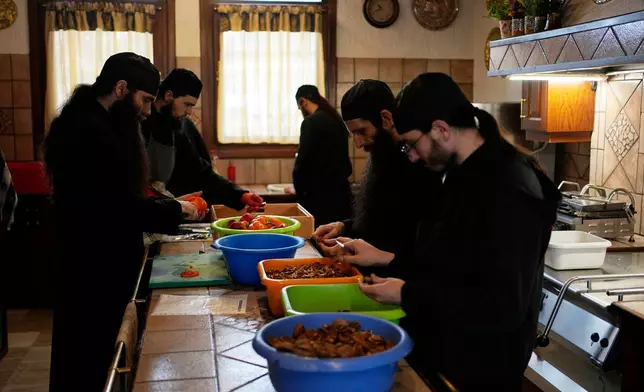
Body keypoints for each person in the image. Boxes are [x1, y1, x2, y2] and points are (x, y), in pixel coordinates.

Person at [332, 73, 561, 391]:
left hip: (482, 370)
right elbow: (444, 264)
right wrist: (387, 261)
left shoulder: (508, 187)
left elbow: (500, 308)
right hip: (446, 354)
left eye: (412, 144)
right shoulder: (459, 175)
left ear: (440, 129)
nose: (410, 155)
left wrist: (405, 293)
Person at [44, 53, 202, 392]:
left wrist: (167, 207)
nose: (147, 110)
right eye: (144, 100)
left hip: (98, 258)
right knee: (87, 360)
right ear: (120, 88)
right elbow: (115, 207)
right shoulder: (87, 131)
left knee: (94, 357)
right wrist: (175, 210)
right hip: (91, 266)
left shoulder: (96, 121)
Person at [314, 79, 441, 278]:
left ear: (386, 118)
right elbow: (381, 224)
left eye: (361, 131)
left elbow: (419, 248)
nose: (357, 144)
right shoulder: (382, 156)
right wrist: (345, 227)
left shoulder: (418, 163)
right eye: (352, 134)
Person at [142, 68, 263, 211]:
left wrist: (239, 195)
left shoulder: (176, 126)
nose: (189, 112)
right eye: (187, 104)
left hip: (167, 210)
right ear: (168, 96)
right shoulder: (140, 121)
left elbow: (199, 171)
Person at [292, 85, 353, 226]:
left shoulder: (310, 123)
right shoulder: (336, 120)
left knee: (319, 240)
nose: (301, 111)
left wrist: (299, 189)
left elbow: (302, 162)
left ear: (303, 101)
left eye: (299, 107)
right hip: (341, 194)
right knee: (337, 241)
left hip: (320, 197)